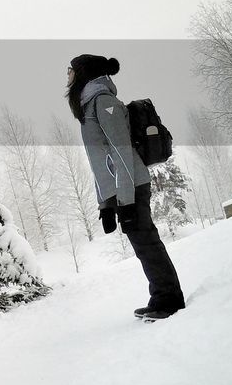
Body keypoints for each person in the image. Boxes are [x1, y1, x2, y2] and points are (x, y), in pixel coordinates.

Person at [67, 55, 185, 320]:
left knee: (147, 242)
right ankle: (161, 296)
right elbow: (100, 162)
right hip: (122, 190)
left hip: (132, 186)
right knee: (142, 243)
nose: (68, 76)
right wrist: (105, 204)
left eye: (70, 71)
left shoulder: (103, 102)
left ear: (84, 73)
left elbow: (121, 152)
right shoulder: (90, 106)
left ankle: (169, 300)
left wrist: (127, 199)